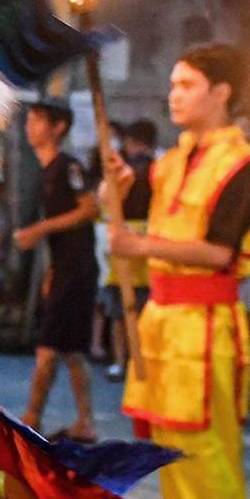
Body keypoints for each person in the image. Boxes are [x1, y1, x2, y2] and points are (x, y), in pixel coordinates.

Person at [110, 46, 250, 499]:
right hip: (162, 324)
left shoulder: (245, 166)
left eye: (187, 85)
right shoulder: (168, 164)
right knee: (171, 461)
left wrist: (138, 244)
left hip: (204, 329)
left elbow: (220, 253)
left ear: (220, 93)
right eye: (173, 84)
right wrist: (113, 192)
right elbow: (124, 207)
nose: (173, 95)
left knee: (207, 464)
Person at [14, 100, 99, 435]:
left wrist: (41, 228)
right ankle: (85, 422)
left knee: (49, 346)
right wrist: (51, 270)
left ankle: (32, 416)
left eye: (38, 120)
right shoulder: (46, 170)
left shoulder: (69, 167)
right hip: (65, 268)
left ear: (58, 127)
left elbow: (89, 208)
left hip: (78, 269)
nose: (30, 127)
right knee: (72, 350)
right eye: (30, 120)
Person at [97, 117, 157, 375]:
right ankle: (134, 361)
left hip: (129, 235)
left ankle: (122, 362)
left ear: (132, 142)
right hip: (147, 235)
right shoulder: (157, 168)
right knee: (135, 306)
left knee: (122, 308)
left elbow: (104, 201)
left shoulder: (133, 170)